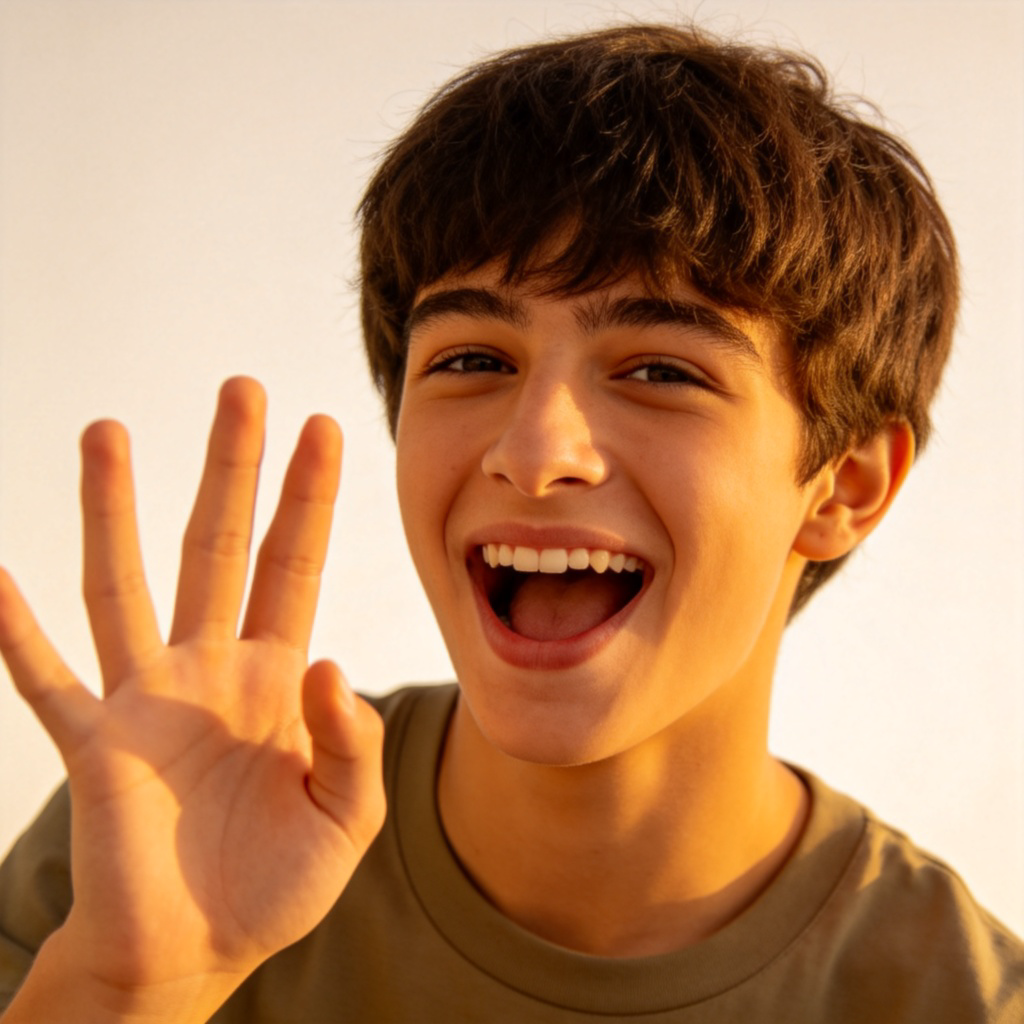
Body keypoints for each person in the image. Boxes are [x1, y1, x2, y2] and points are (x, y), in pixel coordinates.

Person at [0, 20, 1021, 1023]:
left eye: (661, 371)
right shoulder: (173, 828)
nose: (534, 452)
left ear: (842, 485)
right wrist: (121, 995)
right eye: (473, 361)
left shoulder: (955, 998)